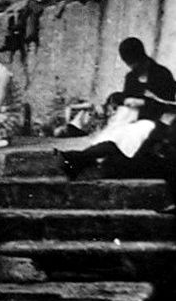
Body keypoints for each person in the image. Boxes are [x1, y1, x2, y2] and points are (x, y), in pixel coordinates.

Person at [57, 38, 175, 189]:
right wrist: (124, 101)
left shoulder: (161, 74)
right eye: (130, 64)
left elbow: (169, 106)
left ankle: (76, 158)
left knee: (124, 136)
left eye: (135, 63)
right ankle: (77, 159)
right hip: (131, 119)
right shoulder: (131, 77)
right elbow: (126, 97)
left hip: (153, 121)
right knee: (114, 133)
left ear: (142, 58)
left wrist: (144, 103)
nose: (133, 67)